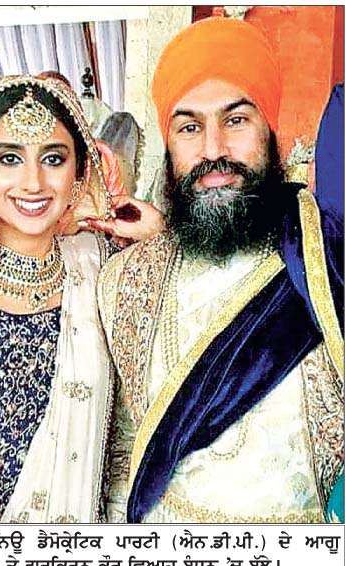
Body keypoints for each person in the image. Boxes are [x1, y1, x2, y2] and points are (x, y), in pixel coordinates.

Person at [98, 17, 343, 523]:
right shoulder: (125, 283)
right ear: (168, 145)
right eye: (189, 127)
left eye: (236, 120)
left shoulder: (327, 263)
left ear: (270, 131)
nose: (213, 150)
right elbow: (122, 461)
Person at [0, 73, 164, 524]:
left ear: (79, 171)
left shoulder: (104, 269)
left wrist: (159, 237)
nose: (33, 182)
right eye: (9, 158)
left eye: (53, 158)